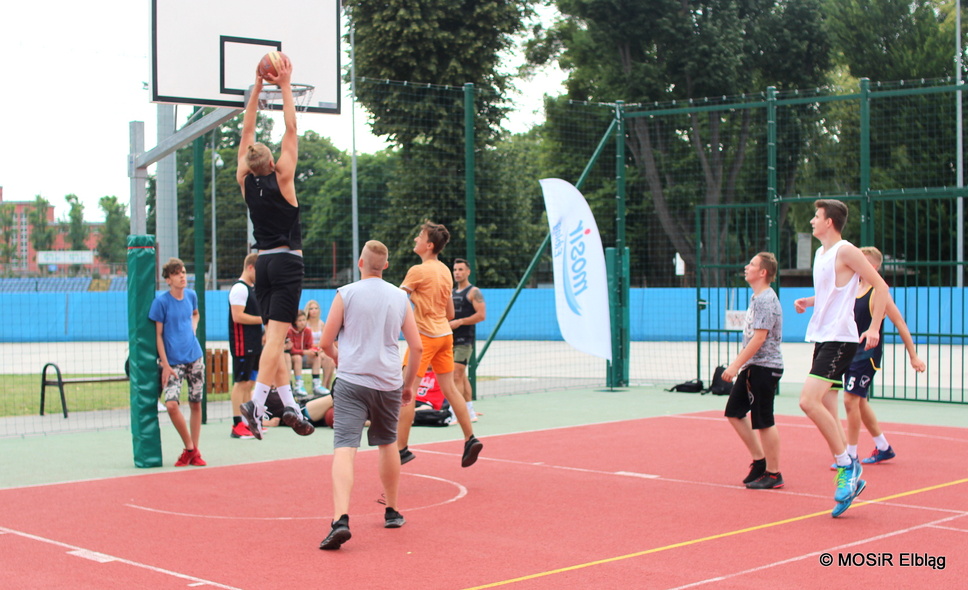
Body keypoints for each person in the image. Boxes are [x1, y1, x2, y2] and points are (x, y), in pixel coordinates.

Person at [793, 199, 898, 517]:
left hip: (841, 339)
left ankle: (846, 466)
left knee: (808, 401)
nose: (812, 221)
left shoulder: (846, 250)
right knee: (827, 406)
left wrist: (875, 327)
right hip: (822, 337)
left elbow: (881, 287)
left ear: (829, 222)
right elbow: (833, 294)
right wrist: (810, 301)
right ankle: (849, 466)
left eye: (816, 216)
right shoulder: (821, 254)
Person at [318, 240, 423, 550]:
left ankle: (340, 518)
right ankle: (392, 510)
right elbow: (416, 347)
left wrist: (339, 358)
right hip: (388, 382)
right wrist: (408, 384)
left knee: (345, 447)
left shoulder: (346, 293)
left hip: (352, 381)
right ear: (386, 266)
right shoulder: (400, 297)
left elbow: (325, 342)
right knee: (387, 442)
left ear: (360, 263)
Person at [235, 52, 314, 439]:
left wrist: (257, 86)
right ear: (273, 163)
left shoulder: (244, 180)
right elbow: (291, 127)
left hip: (262, 265)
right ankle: (256, 403)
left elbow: (247, 129)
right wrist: (283, 85)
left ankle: (290, 406)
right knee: (278, 339)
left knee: (274, 340)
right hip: (286, 265)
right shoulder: (283, 179)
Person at [803, 247, 927, 467]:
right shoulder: (852, 288)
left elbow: (899, 322)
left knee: (850, 400)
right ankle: (883, 446)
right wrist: (808, 301)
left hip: (866, 354)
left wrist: (913, 356)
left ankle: (851, 454)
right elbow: (828, 297)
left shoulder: (878, 293)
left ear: (874, 267)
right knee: (859, 402)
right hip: (846, 350)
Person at [395, 222, 483, 468]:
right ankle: (470, 438)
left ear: (429, 245)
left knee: (407, 392)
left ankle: (401, 449)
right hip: (445, 335)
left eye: (419, 236)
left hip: (425, 337)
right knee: (450, 389)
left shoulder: (417, 271)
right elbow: (450, 312)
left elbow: (397, 300)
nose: (415, 239)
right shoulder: (445, 271)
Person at [721, 253, 784, 489]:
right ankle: (760, 461)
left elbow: (759, 338)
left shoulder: (766, 300)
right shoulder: (757, 297)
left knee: (764, 420)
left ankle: (774, 474)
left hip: (764, 367)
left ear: (763, 272)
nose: (747, 267)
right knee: (734, 412)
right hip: (753, 366)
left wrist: (735, 365)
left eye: (752, 264)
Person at [149, 258, 207, 467]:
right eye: (176, 273)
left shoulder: (191, 296)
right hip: (173, 362)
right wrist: (165, 365)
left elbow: (195, 314)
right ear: (168, 280)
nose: (182, 276)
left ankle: (194, 452)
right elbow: (158, 335)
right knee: (171, 404)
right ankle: (190, 448)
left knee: (196, 403)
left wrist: (193, 326)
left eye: (183, 272)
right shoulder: (161, 303)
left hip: (195, 357)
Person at [228, 252, 263, 439]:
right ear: (250, 268)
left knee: (249, 383)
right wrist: (262, 319)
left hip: (254, 342)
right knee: (241, 383)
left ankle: (249, 422)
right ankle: (237, 424)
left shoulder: (252, 289)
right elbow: (237, 316)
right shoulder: (239, 289)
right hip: (242, 344)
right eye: (259, 271)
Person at [449, 258, 486, 423]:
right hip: (449, 339)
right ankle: (469, 411)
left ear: (468, 272)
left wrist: (460, 322)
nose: (457, 273)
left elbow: (481, 315)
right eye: (455, 270)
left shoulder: (473, 292)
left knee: (456, 374)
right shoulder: (451, 292)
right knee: (461, 376)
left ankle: (455, 412)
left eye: (461, 269)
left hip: (465, 339)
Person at [287, 310, 326, 398]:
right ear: (295, 322)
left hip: (304, 356)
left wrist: (314, 351)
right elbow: (291, 350)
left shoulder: (307, 331)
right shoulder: (290, 331)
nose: (302, 322)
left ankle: (316, 384)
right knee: (298, 358)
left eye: (304, 320)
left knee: (316, 357)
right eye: (300, 320)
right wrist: (304, 352)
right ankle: (298, 384)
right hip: (292, 358)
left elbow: (309, 346)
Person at [305, 299, 336, 394]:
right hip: (309, 351)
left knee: (330, 359)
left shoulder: (321, 323)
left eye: (316, 308)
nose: (314, 310)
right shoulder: (305, 324)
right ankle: (320, 386)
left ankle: (325, 385)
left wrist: (321, 349)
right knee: (321, 357)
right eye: (311, 309)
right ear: (308, 310)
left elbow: (326, 339)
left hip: (320, 350)